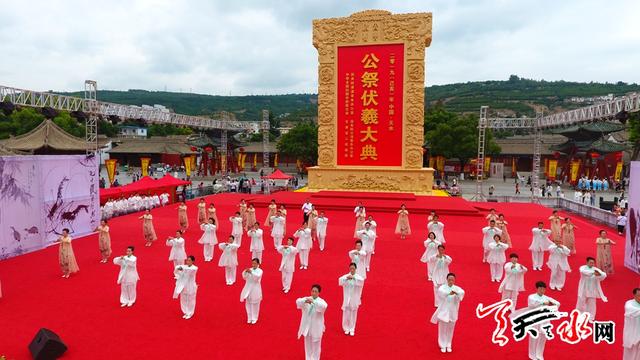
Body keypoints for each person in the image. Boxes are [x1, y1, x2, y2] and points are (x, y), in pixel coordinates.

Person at [522, 281, 560, 360]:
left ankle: (539, 353)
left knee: (543, 336)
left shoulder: (546, 297)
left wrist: (552, 303)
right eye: (540, 289)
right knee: (534, 335)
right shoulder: (531, 297)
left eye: (544, 289)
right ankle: (532, 354)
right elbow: (532, 305)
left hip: (545, 319)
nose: (542, 291)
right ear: (537, 289)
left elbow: (557, 303)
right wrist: (543, 302)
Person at [430, 273, 464, 353]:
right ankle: (442, 344)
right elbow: (440, 292)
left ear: (454, 280)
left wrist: (456, 293)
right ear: (447, 279)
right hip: (443, 312)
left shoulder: (457, 288)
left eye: (452, 280)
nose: (451, 281)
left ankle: (449, 343)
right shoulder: (443, 288)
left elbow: (462, 292)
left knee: (450, 329)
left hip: (453, 312)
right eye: (449, 279)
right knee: (442, 329)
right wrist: (448, 293)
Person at [296, 284, 328, 360]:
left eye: (315, 291)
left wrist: (313, 302)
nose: (313, 293)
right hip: (307, 328)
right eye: (312, 291)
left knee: (316, 346)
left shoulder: (321, 301)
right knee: (307, 346)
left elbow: (324, 306)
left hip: (316, 328)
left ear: (318, 293)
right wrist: (304, 301)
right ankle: (308, 358)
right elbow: (298, 301)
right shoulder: (307, 299)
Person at [339, 263, 365, 336]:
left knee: (353, 314)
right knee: (346, 313)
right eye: (351, 268)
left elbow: (361, 282)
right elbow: (340, 281)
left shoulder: (358, 277)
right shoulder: (346, 276)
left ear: (356, 269)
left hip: (354, 299)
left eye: (353, 268)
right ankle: (346, 328)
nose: (352, 270)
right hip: (347, 299)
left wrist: (354, 278)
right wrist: (346, 278)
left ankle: (352, 328)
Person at [173, 255, 198, 319]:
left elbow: (188, 272)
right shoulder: (184, 267)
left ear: (193, 261)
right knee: (183, 299)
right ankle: (185, 312)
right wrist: (179, 269)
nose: (187, 261)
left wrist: (181, 268)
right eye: (187, 260)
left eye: (189, 260)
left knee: (190, 300)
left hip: (190, 285)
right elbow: (177, 270)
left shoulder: (194, 268)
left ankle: (190, 312)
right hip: (183, 285)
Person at [240, 258, 263, 324]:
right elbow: (244, 277)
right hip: (248, 288)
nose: (253, 265)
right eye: (252, 263)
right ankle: (249, 317)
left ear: (258, 264)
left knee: (255, 304)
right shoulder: (250, 269)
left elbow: (257, 277)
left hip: (255, 289)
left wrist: (251, 272)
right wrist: (245, 272)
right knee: (248, 303)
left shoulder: (260, 271)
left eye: (255, 263)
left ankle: (254, 318)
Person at [623, 288, 640, 360]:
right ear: (634, 295)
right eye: (639, 295)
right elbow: (631, 312)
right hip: (632, 334)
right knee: (630, 353)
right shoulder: (629, 304)